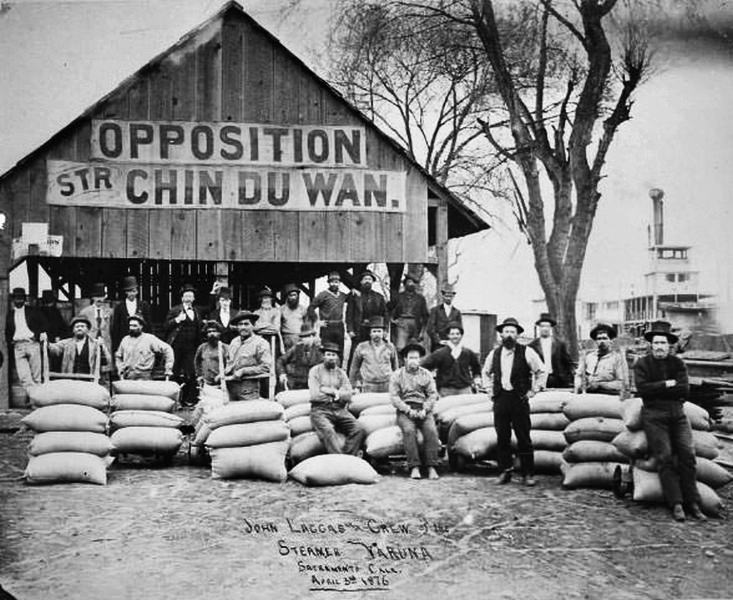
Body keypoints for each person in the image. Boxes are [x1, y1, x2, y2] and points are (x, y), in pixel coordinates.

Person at [633, 320, 705, 521]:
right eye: (655, 343)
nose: (659, 347)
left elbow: (684, 390)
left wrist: (658, 387)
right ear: (650, 344)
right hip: (654, 415)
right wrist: (667, 384)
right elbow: (642, 390)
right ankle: (677, 503)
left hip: (677, 413)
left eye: (663, 343)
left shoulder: (678, 363)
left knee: (688, 454)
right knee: (664, 456)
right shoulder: (642, 364)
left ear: (669, 345)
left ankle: (693, 502)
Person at [482, 317, 547, 486]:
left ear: (517, 335)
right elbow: (485, 372)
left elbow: (541, 371)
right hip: (501, 398)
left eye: (513, 332)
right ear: (501, 334)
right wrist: (490, 391)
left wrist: (534, 390)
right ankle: (505, 471)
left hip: (519, 399)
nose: (509, 335)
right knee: (502, 436)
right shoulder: (494, 353)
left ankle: (528, 473)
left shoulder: (527, 352)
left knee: (523, 436)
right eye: (506, 332)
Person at [390, 340, 441, 480]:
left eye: (417, 358)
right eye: (411, 358)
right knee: (409, 430)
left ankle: (431, 466)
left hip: (423, 408)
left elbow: (432, 394)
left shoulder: (426, 374)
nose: (414, 361)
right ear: (405, 359)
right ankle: (414, 466)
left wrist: (426, 409)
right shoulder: (397, 375)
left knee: (431, 430)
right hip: (405, 411)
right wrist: (407, 410)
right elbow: (394, 397)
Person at [308, 342, 366, 455]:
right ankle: (338, 459)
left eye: (333, 355)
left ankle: (348, 456)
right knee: (328, 431)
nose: (331, 358)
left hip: (339, 410)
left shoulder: (341, 373)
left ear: (337, 357)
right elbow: (315, 395)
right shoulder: (315, 371)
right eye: (328, 354)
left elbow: (348, 395)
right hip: (320, 410)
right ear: (323, 356)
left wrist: (330, 391)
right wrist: (338, 394)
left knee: (358, 429)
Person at [164, 283, 203, 406]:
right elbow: (166, 326)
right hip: (177, 346)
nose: (188, 298)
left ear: (194, 298)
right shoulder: (175, 310)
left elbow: (211, 307)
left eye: (191, 296)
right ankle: (173, 400)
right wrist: (177, 320)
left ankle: (189, 399)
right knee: (175, 372)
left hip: (191, 347)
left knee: (191, 372)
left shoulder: (196, 311)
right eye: (186, 296)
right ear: (182, 298)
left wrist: (213, 293)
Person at [421, 322, 481, 397]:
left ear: (461, 335)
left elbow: (476, 367)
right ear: (448, 335)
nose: (455, 336)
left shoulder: (468, 353)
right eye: (452, 334)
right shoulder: (440, 353)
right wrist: (429, 383)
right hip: (446, 390)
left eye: (457, 334)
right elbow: (424, 367)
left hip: (465, 389)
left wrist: (477, 379)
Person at [223, 310, 272, 401]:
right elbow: (230, 363)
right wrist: (223, 373)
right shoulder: (234, 342)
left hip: (248, 390)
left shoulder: (261, 343)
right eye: (240, 324)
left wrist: (244, 371)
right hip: (230, 388)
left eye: (246, 324)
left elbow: (266, 367)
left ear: (253, 326)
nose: (243, 327)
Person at [5, 287, 48, 390]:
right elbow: (7, 331)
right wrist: (10, 342)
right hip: (18, 346)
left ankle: (36, 402)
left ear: (25, 299)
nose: (18, 300)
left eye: (20, 298)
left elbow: (45, 324)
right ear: (13, 300)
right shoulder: (10, 314)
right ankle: (32, 397)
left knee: (36, 376)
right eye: (16, 298)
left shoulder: (32, 311)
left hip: (32, 344)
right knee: (24, 376)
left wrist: (36, 335)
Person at [574, 323, 628, 395]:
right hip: (588, 395)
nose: (602, 341)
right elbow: (578, 375)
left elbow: (622, 383)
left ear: (611, 341)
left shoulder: (617, 358)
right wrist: (580, 385)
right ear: (595, 341)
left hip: (608, 396)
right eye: (599, 339)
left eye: (605, 338)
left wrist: (600, 385)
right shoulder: (588, 357)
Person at [115, 315, 174, 380]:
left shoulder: (149, 339)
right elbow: (118, 356)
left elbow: (168, 349)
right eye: (130, 325)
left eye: (135, 326)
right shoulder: (125, 340)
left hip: (144, 377)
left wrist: (168, 368)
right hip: (128, 376)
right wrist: (120, 369)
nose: (131, 328)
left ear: (141, 326)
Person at [346, 270, 387, 361]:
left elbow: (385, 314)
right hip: (358, 329)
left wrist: (385, 330)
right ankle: (353, 374)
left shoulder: (379, 297)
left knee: (374, 354)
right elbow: (349, 314)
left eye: (369, 279)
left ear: (372, 282)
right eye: (365, 279)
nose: (367, 281)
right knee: (356, 354)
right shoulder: (354, 296)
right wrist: (350, 329)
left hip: (374, 329)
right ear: (361, 281)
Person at [349, 316, 398, 393]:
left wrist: (396, 384)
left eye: (379, 331)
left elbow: (395, 367)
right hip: (368, 385)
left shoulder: (390, 347)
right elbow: (354, 367)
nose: (377, 334)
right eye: (374, 331)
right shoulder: (362, 347)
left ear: (383, 333)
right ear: (370, 333)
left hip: (386, 384)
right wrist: (353, 385)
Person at [308, 271, 349, 358]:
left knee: (339, 350)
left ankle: (338, 369)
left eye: (336, 282)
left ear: (339, 283)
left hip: (339, 326)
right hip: (327, 326)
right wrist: (317, 321)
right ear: (329, 283)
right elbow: (311, 308)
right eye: (332, 282)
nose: (334, 284)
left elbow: (351, 298)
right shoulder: (323, 295)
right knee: (326, 349)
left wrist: (353, 290)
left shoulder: (342, 295)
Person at [528, 312, 574, 388]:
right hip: (540, 380)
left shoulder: (559, 344)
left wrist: (568, 379)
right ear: (539, 327)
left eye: (547, 326)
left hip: (558, 379)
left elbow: (567, 363)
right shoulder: (532, 346)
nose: (545, 329)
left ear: (551, 328)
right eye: (542, 326)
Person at [388, 273, 429, 356]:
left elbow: (425, 316)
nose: (411, 284)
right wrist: (392, 320)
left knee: (417, 347)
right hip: (402, 323)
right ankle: (400, 366)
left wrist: (422, 332)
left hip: (416, 324)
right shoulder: (398, 297)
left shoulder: (420, 298)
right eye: (409, 282)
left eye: (413, 282)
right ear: (405, 283)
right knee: (400, 347)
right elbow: (388, 308)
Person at [110, 276, 153, 353]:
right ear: (126, 292)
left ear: (137, 292)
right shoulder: (120, 307)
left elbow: (148, 325)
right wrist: (116, 347)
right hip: (124, 341)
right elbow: (116, 327)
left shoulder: (143, 305)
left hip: (141, 341)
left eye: (134, 291)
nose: (132, 294)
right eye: (129, 291)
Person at [276, 321, 323, 390]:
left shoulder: (319, 351)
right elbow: (280, 360)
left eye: (308, 336)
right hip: (296, 383)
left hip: (314, 383)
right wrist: (282, 373)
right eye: (303, 337)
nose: (305, 339)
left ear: (313, 337)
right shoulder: (296, 348)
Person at [79, 283, 113, 356]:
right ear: (93, 298)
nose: (99, 299)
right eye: (97, 297)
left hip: (106, 343)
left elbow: (113, 328)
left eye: (101, 297)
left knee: (106, 364)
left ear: (104, 298)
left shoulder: (110, 312)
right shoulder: (85, 312)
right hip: (91, 342)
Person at [426, 283, 462, 352]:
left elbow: (460, 329)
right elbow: (430, 328)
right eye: (446, 296)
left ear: (453, 297)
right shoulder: (435, 310)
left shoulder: (457, 312)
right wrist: (438, 340)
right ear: (442, 296)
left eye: (450, 296)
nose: (448, 298)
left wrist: (453, 340)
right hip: (438, 346)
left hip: (452, 345)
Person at [194, 320, 229, 388]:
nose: (212, 334)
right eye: (209, 332)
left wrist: (223, 375)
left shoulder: (225, 348)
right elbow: (197, 362)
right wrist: (199, 376)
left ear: (219, 333)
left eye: (214, 331)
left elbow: (229, 365)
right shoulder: (202, 347)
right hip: (205, 384)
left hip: (221, 383)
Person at [279, 283, 310, 351]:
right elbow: (278, 326)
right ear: (287, 296)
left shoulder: (302, 309)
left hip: (300, 338)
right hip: (287, 339)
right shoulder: (281, 309)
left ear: (298, 296)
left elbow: (307, 325)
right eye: (291, 295)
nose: (293, 297)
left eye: (295, 295)